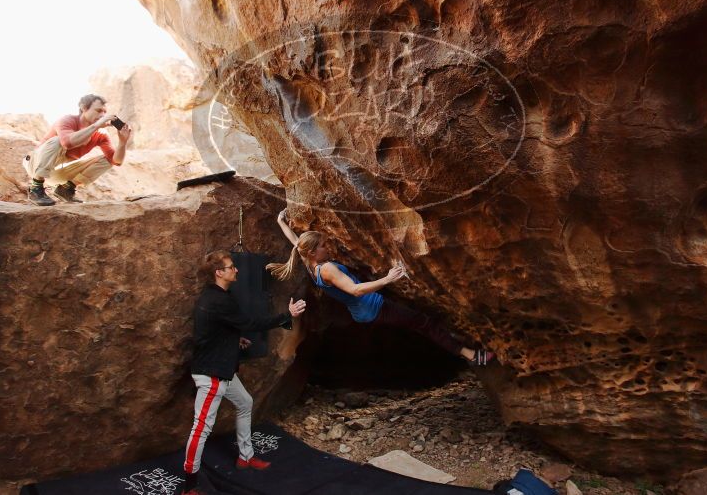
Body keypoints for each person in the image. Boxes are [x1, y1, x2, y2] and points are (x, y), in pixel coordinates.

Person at [268, 209, 495, 366]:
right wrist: (387, 279)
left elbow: (296, 242)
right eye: (323, 246)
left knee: (415, 322)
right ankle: (470, 354)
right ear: (313, 252)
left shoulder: (309, 261)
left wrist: (281, 222)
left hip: (364, 311)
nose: (327, 247)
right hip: (373, 307)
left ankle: (453, 346)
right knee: (424, 323)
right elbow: (355, 290)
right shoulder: (327, 270)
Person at [182, 250, 307, 495]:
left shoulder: (214, 296)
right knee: (201, 429)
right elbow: (251, 324)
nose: (236, 269)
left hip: (223, 369)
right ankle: (189, 487)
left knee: (245, 403)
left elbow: (212, 330)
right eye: (230, 267)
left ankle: (245, 457)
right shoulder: (218, 300)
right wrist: (287, 316)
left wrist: (234, 340)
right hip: (212, 374)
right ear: (219, 273)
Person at [23, 94, 131, 205]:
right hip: (35, 165)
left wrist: (123, 142)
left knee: (108, 160)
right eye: (98, 111)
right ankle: (36, 189)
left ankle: (65, 189)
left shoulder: (101, 134)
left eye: (104, 112)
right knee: (57, 140)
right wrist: (97, 125)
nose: (102, 115)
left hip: (54, 173)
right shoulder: (67, 120)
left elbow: (117, 161)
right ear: (84, 108)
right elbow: (67, 143)